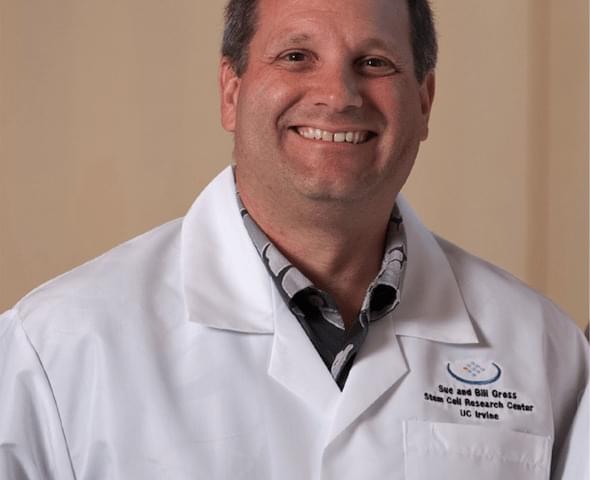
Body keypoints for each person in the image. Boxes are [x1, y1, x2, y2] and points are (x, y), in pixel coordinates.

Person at [0, 0, 587, 478]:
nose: (339, 95)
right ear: (231, 92)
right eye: (296, 56)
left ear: (424, 100)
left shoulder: (544, 349)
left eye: (375, 62)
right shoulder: (53, 349)